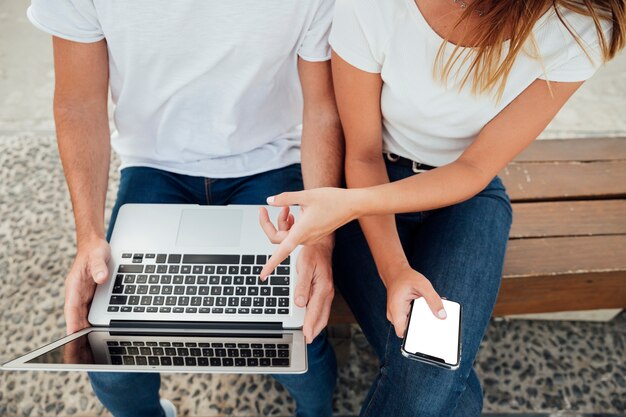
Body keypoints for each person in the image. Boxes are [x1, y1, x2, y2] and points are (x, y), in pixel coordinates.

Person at [259, 0, 625, 415]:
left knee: (430, 373)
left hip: (465, 195)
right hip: (373, 181)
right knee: (443, 382)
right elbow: (362, 155)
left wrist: (350, 205)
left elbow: (474, 167)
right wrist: (393, 268)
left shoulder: (578, 27)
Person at [27, 1, 342, 416]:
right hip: (153, 165)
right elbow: (78, 103)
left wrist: (320, 237)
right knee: (110, 351)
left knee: (299, 336)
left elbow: (322, 109)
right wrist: (88, 236)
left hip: (268, 159)